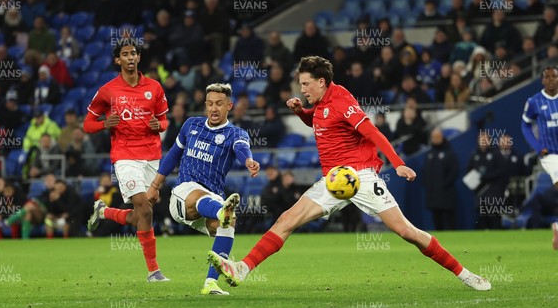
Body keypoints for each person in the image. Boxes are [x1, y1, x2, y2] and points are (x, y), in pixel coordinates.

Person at [207, 56, 491, 291]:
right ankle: (242, 268)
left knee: (408, 232)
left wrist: (398, 162)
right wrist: (301, 112)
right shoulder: (319, 104)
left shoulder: (343, 101)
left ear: (321, 81)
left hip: (360, 177)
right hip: (333, 180)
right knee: (287, 219)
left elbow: (372, 132)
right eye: (300, 84)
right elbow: (323, 124)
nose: (302, 89)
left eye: (306, 84)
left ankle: (466, 274)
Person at [143, 83, 260, 295]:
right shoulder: (191, 125)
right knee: (212, 204)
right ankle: (220, 211)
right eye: (210, 104)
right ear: (205, 105)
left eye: (219, 104)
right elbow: (172, 156)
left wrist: (249, 161)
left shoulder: (236, 133)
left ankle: (210, 283)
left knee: (228, 224)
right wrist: (154, 186)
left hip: (212, 198)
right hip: (183, 193)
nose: (214, 109)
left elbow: (241, 148)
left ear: (229, 106)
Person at [83, 39, 170, 282]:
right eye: (125, 54)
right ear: (117, 60)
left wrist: (159, 125)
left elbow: (164, 120)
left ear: (139, 58)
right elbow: (87, 124)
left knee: (145, 213)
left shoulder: (155, 87)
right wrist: (104, 124)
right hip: (124, 155)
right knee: (142, 205)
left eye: (134, 53)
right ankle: (154, 271)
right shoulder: (108, 90)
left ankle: (105, 212)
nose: (130, 57)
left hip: (152, 155)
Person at [521, 66, 558, 247]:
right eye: (547, 77)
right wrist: (537, 146)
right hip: (550, 154)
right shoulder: (534, 101)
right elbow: (525, 125)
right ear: (543, 80)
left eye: (554, 77)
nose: (551, 80)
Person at [423, 128, 459, 230]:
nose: (435, 139)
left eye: (437, 137)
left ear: (442, 137)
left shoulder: (449, 153)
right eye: (433, 137)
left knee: (449, 217)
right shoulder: (429, 154)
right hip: (433, 193)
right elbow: (425, 172)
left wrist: (444, 185)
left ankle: (453, 236)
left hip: (446, 192)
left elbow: (454, 171)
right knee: (436, 217)